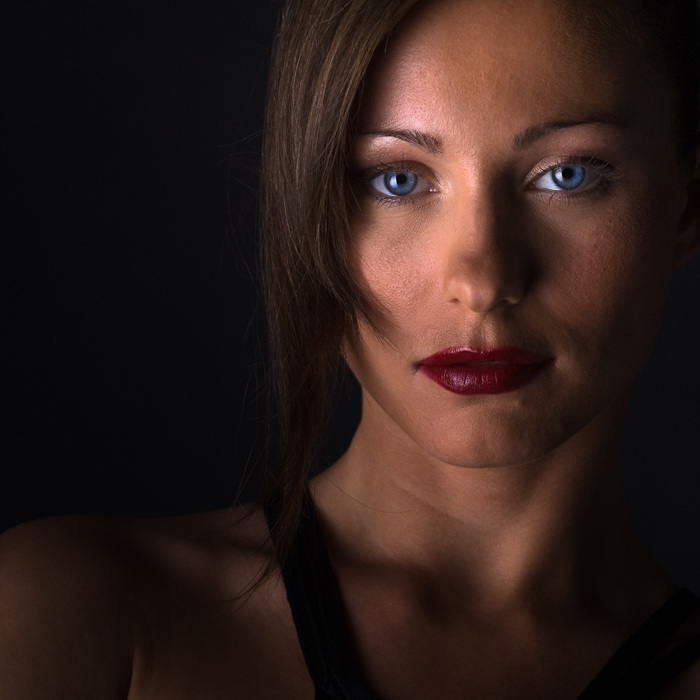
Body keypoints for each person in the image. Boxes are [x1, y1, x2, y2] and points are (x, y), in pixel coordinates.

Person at [1, 0, 699, 697]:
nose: (482, 283)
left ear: (688, 204)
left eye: (568, 175)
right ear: (307, 210)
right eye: (397, 180)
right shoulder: (74, 618)